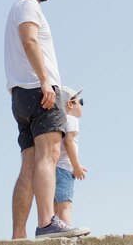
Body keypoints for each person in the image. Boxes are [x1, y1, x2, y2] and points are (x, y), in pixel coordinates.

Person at [4, 0, 89, 239]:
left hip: (20, 95)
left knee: (29, 164)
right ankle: (46, 222)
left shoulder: (15, 11)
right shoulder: (29, 6)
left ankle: (19, 234)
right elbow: (30, 42)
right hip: (39, 91)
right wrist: (44, 80)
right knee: (49, 155)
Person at [55, 86, 88, 226]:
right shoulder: (72, 120)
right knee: (65, 205)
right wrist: (76, 166)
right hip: (65, 169)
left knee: (54, 208)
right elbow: (69, 142)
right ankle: (67, 233)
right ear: (70, 104)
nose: (81, 104)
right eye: (80, 101)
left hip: (53, 169)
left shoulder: (58, 120)